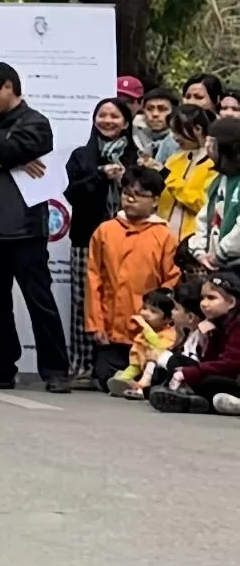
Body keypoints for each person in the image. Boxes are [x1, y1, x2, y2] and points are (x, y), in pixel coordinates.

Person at [0, 62, 69, 394]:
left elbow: (10, 149)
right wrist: (7, 156)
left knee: (39, 299)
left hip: (23, 227)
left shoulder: (35, 122)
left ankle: (55, 369)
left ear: (7, 86)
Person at [84, 166, 178, 389]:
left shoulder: (164, 236)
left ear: (155, 201)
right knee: (106, 379)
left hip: (149, 335)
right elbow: (93, 279)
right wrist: (96, 324)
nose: (131, 198)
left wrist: (158, 322)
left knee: (151, 375)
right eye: (127, 192)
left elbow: (170, 283)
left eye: (139, 194)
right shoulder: (105, 231)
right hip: (112, 333)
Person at [66, 95, 138, 379]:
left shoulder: (136, 155)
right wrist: (100, 175)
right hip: (87, 237)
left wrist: (125, 178)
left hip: (130, 238)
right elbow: (73, 193)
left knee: (124, 297)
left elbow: (149, 193)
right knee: (84, 299)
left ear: (126, 123)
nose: (107, 121)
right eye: (102, 115)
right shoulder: (81, 156)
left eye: (115, 116)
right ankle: (82, 363)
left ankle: (126, 362)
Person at [147, 267, 240, 414]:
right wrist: (211, 335)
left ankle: (205, 401)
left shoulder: (237, 325)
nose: (203, 303)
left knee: (210, 382)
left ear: (231, 302)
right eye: (203, 298)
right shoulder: (216, 324)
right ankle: (199, 401)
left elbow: (231, 364)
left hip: (235, 378)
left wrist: (190, 373)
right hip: (228, 375)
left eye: (211, 298)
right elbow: (209, 360)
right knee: (180, 362)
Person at [187, 119, 240, 274]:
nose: (207, 147)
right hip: (216, 264)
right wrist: (199, 250)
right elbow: (204, 218)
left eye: (212, 142)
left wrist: (221, 254)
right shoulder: (219, 180)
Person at [158, 106, 216, 245]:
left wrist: (169, 178)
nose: (175, 137)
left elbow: (203, 205)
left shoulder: (215, 164)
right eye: (173, 132)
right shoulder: (174, 160)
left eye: (178, 131)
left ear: (198, 128)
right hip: (162, 239)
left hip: (193, 242)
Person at [137, 87, 179, 167]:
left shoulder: (181, 142)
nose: (155, 114)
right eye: (149, 109)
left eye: (162, 109)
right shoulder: (134, 139)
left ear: (174, 112)